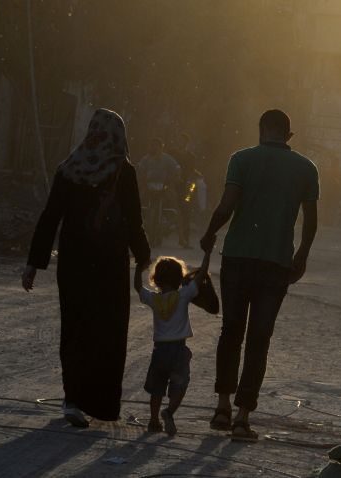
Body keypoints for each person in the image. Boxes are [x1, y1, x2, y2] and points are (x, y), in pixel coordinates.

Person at [23, 108, 151, 427]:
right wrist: (144, 259)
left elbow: (50, 216)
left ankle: (73, 400)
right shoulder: (123, 170)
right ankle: (101, 403)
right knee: (106, 331)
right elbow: (135, 221)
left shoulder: (69, 168)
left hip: (74, 260)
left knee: (75, 327)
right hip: (109, 264)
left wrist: (34, 263)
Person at [200, 109, 319, 442]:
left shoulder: (241, 159)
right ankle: (242, 416)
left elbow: (226, 206)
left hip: (237, 258)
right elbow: (310, 221)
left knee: (231, 333)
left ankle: (222, 406)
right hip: (276, 263)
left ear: (261, 130)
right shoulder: (306, 168)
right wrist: (302, 256)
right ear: (288, 135)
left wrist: (209, 234)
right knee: (258, 340)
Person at [134, 250, 211, 436]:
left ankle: (153, 421)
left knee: (157, 388)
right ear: (180, 278)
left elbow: (138, 287)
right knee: (180, 385)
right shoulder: (183, 296)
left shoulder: (154, 299)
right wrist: (207, 253)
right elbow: (201, 277)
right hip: (179, 349)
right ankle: (168, 412)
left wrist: (139, 268)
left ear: (156, 279)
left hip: (160, 350)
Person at [138, 138, 181, 246]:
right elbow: (140, 170)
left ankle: (181, 237)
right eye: (152, 145)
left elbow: (176, 168)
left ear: (161, 147)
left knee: (176, 204)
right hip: (148, 188)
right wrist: (141, 179)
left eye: (156, 146)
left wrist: (176, 177)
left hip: (164, 188)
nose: (154, 148)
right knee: (137, 203)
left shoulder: (167, 159)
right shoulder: (146, 159)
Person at [168, 133, 201, 248]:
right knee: (174, 209)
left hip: (187, 188)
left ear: (186, 143)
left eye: (182, 141)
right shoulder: (171, 154)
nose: (180, 143)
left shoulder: (191, 156)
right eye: (178, 140)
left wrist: (192, 185)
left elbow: (193, 171)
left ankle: (185, 239)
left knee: (186, 211)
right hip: (172, 186)